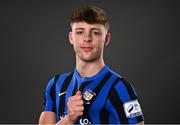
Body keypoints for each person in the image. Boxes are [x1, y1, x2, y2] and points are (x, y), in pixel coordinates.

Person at [39, 5, 144, 125]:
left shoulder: (120, 87)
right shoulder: (55, 84)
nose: (87, 38)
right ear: (71, 38)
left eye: (95, 32)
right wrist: (68, 120)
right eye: (80, 32)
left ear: (107, 38)